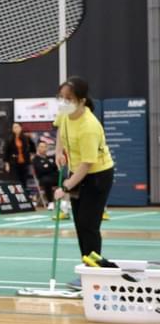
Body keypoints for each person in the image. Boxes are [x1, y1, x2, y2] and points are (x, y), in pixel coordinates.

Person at [54, 77, 115, 274]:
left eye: (68, 98)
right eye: (61, 97)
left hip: (97, 176)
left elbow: (87, 165)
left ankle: (94, 271)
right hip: (76, 171)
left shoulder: (89, 126)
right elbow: (60, 130)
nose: (63, 102)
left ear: (81, 101)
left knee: (89, 224)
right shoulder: (65, 113)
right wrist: (58, 152)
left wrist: (65, 187)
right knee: (80, 224)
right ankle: (88, 267)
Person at [2, 122, 35, 188]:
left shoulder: (26, 138)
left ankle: (24, 192)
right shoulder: (9, 139)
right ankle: (17, 193)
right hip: (13, 162)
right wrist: (7, 164)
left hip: (24, 162)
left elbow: (33, 147)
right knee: (15, 180)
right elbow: (6, 152)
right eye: (14, 127)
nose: (15, 129)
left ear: (21, 128)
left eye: (17, 127)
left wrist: (32, 156)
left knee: (24, 179)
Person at [33, 138, 60, 209]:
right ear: (38, 148)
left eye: (45, 147)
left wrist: (47, 166)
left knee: (64, 179)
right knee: (47, 181)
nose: (43, 148)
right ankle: (50, 202)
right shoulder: (35, 159)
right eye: (41, 147)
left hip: (54, 176)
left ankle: (64, 202)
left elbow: (56, 167)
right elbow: (41, 170)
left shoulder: (50, 157)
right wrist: (50, 166)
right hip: (43, 178)